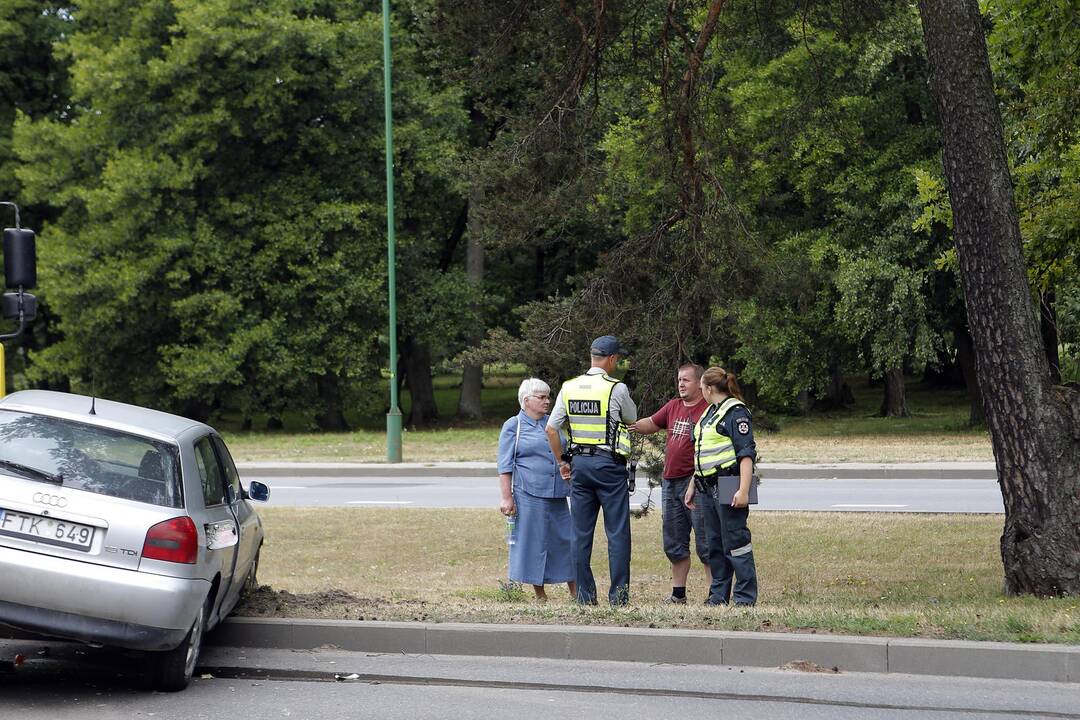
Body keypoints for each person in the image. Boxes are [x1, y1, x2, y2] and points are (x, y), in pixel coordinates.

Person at [546, 335, 638, 606]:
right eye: (617, 358)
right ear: (611, 359)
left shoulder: (569, 387)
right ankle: (618, 597)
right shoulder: (615, 388)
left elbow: (551, 429)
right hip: (609, 466)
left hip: (580, 466)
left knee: (580, 534)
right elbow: (631, 418)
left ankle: (585, 597)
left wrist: (563, 461)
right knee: (617, 533)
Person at [629, 363, 711, 604]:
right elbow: (651, 423)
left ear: (699, 383)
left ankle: (713, 594)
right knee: (674, 541)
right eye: (679, 380)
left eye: (686, 380)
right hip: (670, 482)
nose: (681, 384)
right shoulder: (673, 406)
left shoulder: (708, 409)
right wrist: (629, 423)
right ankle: (678, 594)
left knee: (705, 540)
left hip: (695, 481)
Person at [684, 366, 758, 606]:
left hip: (730, 482)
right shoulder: (710, 412)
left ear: (707, 388)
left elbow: (745, 455)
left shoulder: (735, 413)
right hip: (706, 485)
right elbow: (703, 452)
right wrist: (693, 484)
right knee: (714, 544)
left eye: (702, 388)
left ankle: (745, 597)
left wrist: (744, 490)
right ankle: (718, 596)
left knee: (736, 541)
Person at [497, 378, 576, 601]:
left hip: (558, 492)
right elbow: (504, 465)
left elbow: (565, 451)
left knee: (566, 540)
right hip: (528, 492)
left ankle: (576, 591)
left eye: (548, 397)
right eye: (541, 397)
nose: (547, 401)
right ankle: (539, 594)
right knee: (534, 542)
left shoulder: (553, 422)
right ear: (526, 400)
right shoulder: (514, 425)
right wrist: (507, 497)